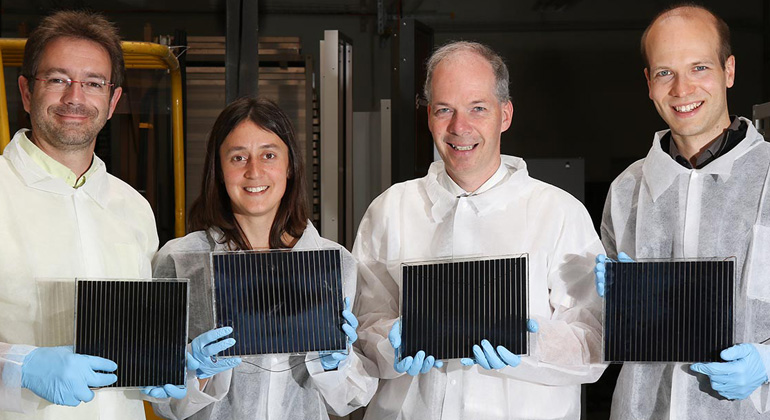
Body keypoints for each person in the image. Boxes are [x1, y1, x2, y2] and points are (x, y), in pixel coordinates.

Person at [352, 40, 606, 420]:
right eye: (444, 110)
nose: (460, 127)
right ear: (429, 117)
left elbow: (594, 340)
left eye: (477, 108)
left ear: (505, 115)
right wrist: (391, 343)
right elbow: (361, 326)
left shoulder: (558, 213)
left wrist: (529, 342)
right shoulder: (391, 209)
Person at [151, 97, 377, 420]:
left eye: (268, 155)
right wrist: (193, 371)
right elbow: (163, 402)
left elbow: (351, 397)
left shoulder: (335, 264)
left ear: (289, 166)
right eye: (238, 157)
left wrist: (336, 365)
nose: (254, 171)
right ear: (219, 170)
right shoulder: (181, 262)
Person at [596, 4, 770, 419]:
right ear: (649, 83)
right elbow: (598, 328)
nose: (682, 89)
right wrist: (602, 304)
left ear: (729, 71)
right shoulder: (626, 190)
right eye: (665, 73)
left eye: (699, 68)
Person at [0, 10, 172, 420]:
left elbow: (145, 342)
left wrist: (176, 364)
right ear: (26, 92)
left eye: (93, 83)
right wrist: (17, 366)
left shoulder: (134, 209)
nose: (75, 97)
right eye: (58, 79)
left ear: (112, 101)